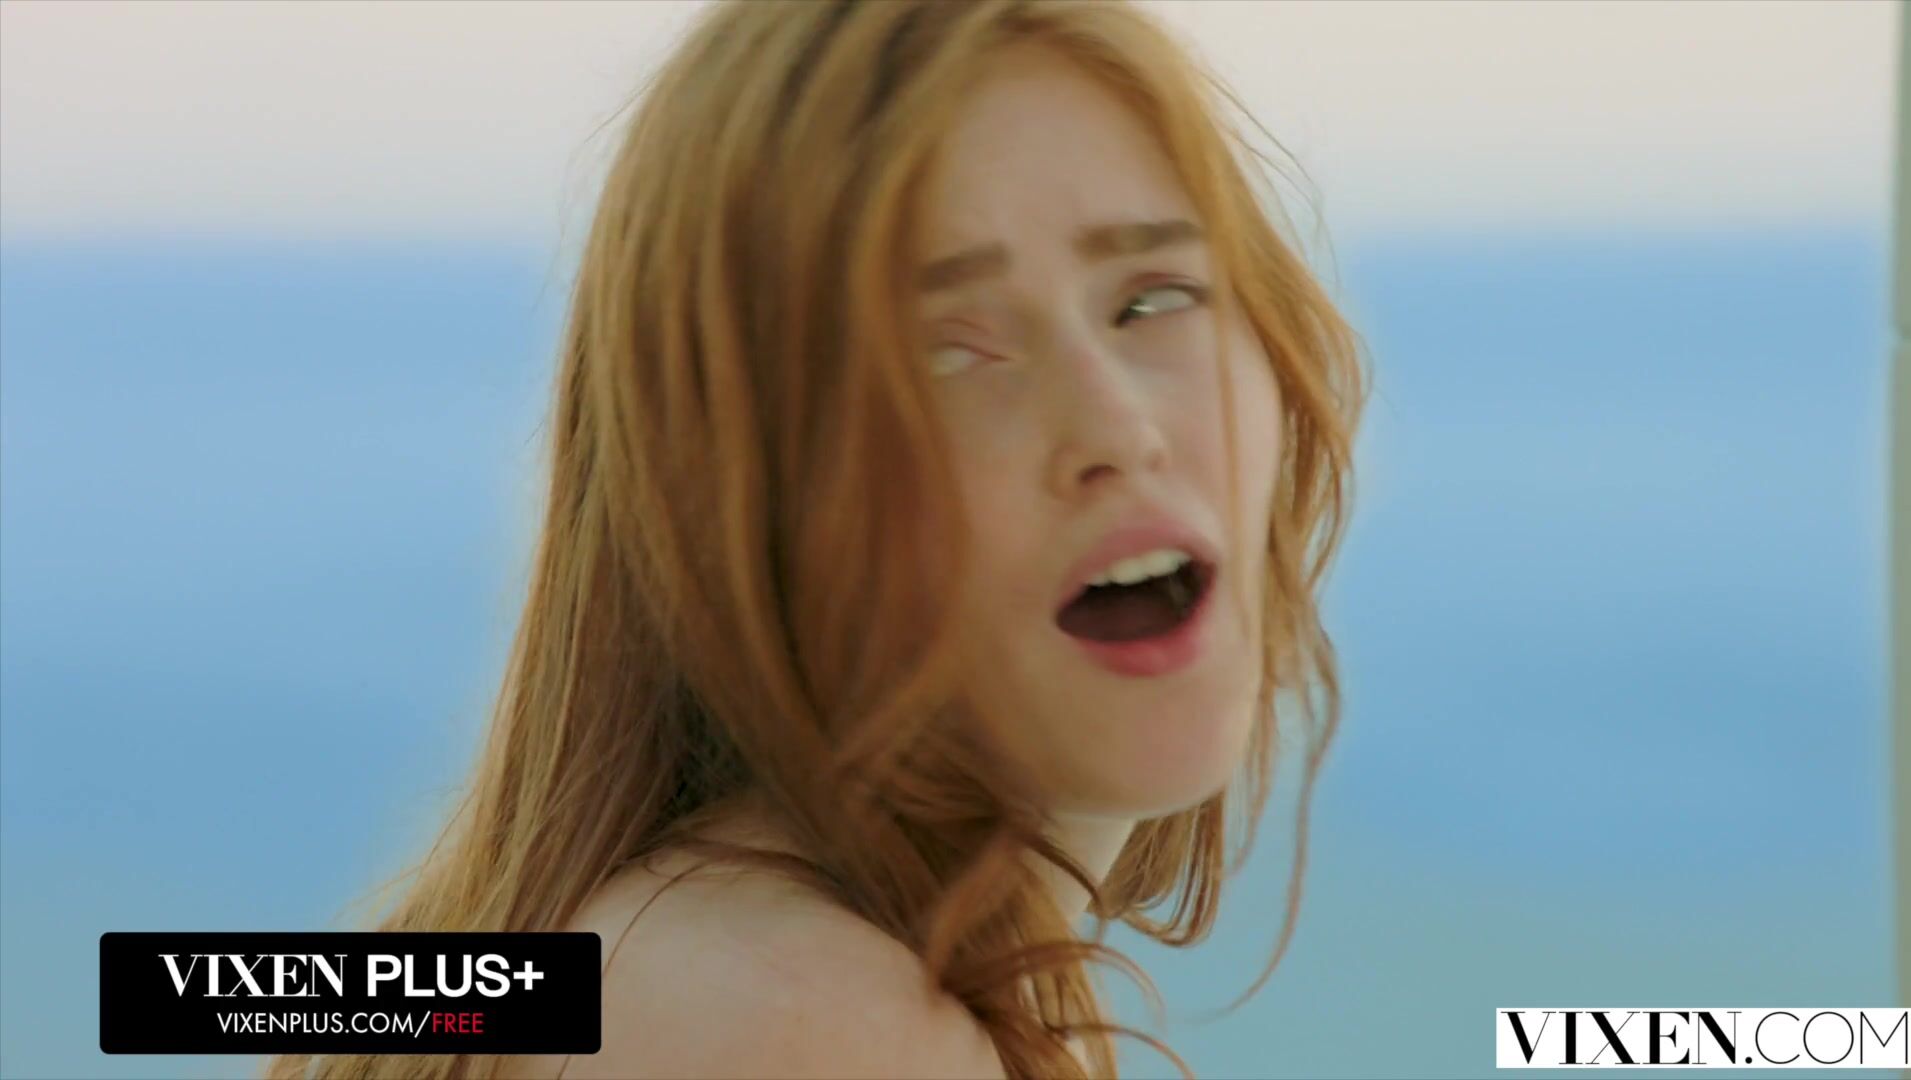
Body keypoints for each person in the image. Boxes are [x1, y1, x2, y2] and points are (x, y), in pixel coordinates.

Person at [266, 1, 1364, 1077]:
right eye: (948, 354)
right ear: (741, 501)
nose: (1117, 428)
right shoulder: (809, 1022)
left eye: (1153, 299)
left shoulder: (684, 963)